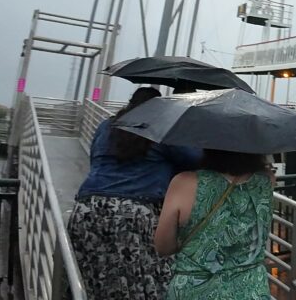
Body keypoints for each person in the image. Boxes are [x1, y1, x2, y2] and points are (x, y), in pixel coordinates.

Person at [69, 88, 202, 299]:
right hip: (134, 214)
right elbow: (195, 160)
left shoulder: (107, 125)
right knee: (147, 280)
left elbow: (95, 159)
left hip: (87, 207)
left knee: (98, 276)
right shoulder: (162, 128)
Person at [155, 150, 274, 299]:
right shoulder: (266, 179)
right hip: (252, 289)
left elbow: (163, 246)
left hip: (194, 290)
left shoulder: (184, 183)